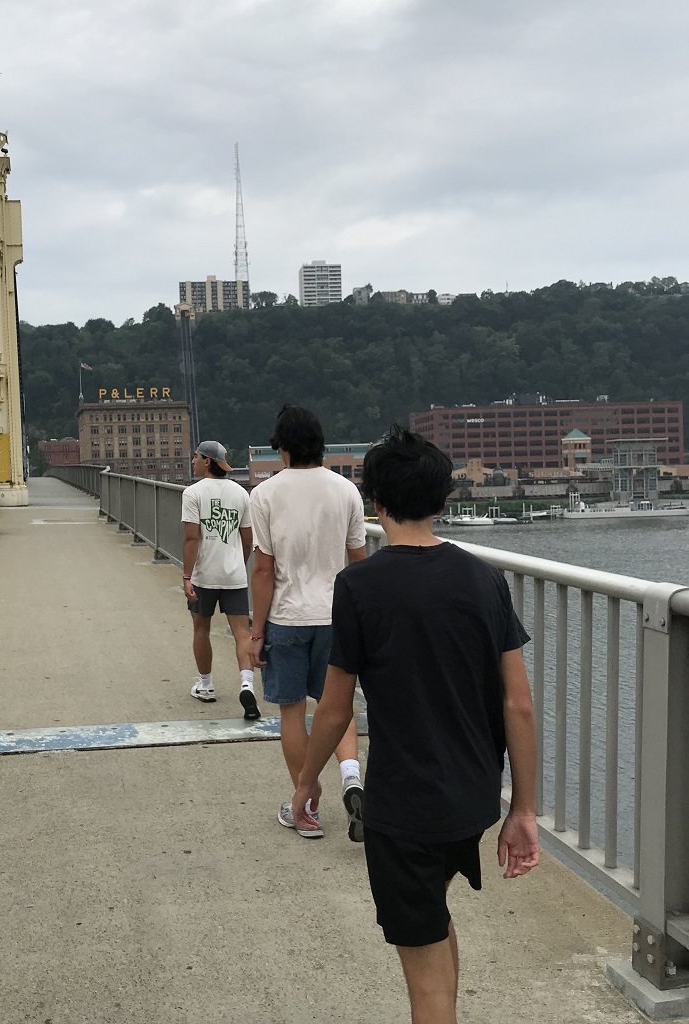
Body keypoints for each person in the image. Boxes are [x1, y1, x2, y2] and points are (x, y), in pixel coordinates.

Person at [292, 426, 539, 1024]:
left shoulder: (359, 587)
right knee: (434, 923)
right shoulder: (484, 578)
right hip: (472, 796)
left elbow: (333, 708)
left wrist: (305, 781)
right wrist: (523, 809)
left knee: (423, 972)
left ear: (376, 503)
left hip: (404, 808)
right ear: (442, 500)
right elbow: (518, 705)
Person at [249, 404, 367, 841]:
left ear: (281, 448)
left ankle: (306, 804)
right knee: (337, 706)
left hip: (287, 618)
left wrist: (256, 632)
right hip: (336, 617)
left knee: (292, 712)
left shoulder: (264, 495)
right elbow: (359, 562)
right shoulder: (346, 491)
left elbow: (263, 571)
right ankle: (352, 776)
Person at [181, 440, 260, 721]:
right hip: (234, 574)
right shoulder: (241, 494)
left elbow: (191, 538)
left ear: (206, 461)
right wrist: (238, 561)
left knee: (201, 629)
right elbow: (247, 538)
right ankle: (247, 683)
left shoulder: (193, 493)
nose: (192, 460)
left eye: (195, 457)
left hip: (204, 574)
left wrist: (187, 575)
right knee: (241, 633)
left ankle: (206, 685)